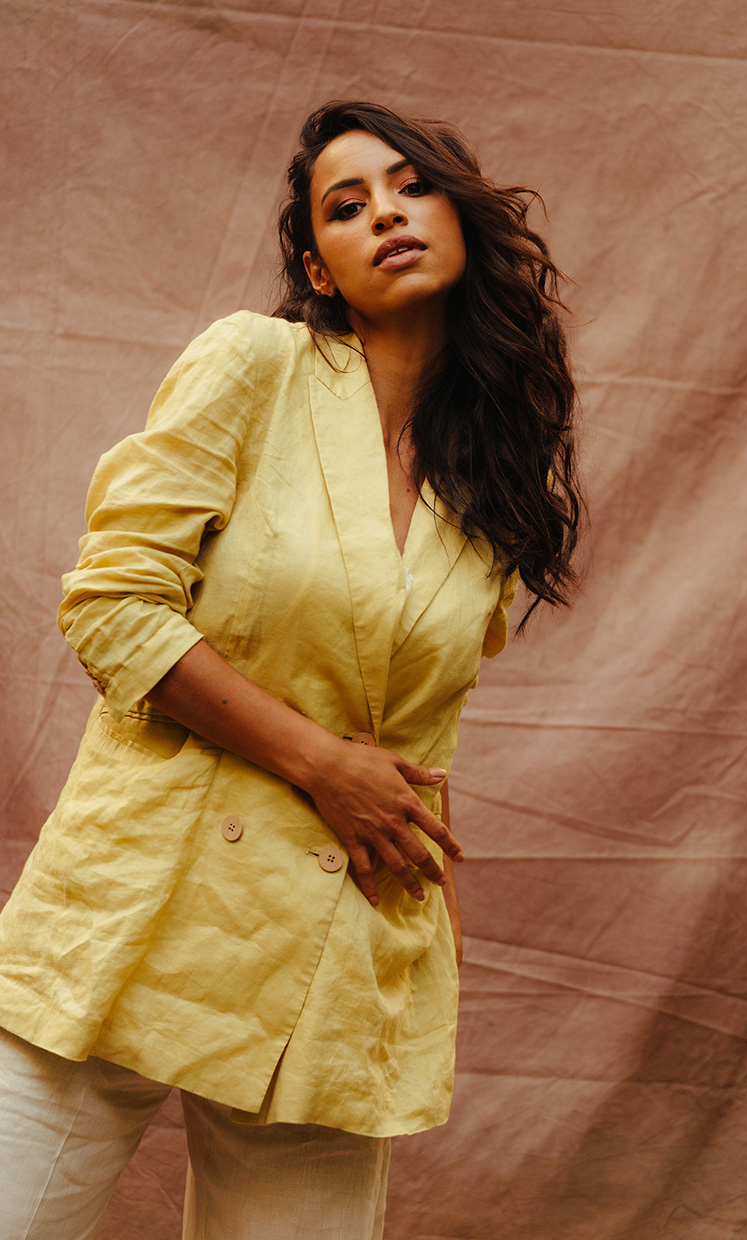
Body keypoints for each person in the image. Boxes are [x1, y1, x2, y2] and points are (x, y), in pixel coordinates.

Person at [0, 100, 581, 1238]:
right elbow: (113, 605)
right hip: (145, 897)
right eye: (347, 207)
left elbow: (420, 746)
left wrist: (429, 950)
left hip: (343, 935)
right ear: (319, 269)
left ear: (462, 218)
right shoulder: (257, 365)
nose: (386, 215)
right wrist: (322, 764)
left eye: (412, 186)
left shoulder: (493, 482)